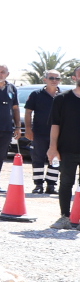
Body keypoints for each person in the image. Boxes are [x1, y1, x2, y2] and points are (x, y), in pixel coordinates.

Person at [49, 69, 80, 220]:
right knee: (66, 183)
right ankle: (64, 217)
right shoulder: (61, 99)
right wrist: (52, 147)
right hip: (67, 149)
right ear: (74, 77)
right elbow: (55, 124)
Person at [26, 70, 61, 194]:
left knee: (56, 159)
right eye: (51, 78)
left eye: (57, 78)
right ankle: (38, 185)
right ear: (45, 79)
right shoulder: (36, 94)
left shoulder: (63, 96)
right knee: (38, 159)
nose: (54, 81)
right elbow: (28, 112)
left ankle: (51, 185)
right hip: (39, 133)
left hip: (59, 135)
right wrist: (28, 129)